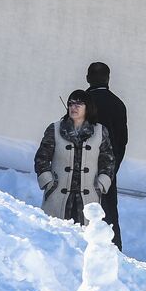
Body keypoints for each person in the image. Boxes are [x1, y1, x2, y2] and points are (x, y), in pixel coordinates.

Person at [34, 89, 114, 225]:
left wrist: (100, 184)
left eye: (79, 104)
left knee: (83, 238)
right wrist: (48, 182)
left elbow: (108, 161)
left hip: (87, 196)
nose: (73, 107)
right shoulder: (55, 128)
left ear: (88, 107)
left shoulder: (100, 131)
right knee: (56, 234)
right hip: (58, 195)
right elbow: (41, 157)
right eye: (71, 104)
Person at [85, 62, 128, 250]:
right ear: (108, 79)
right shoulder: (118, 104)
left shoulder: (82, 101)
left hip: (82, 165)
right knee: (109, 212)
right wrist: (113, 167)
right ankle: (114, 250)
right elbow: (122, 140)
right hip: (108, 168)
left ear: (87, 78)